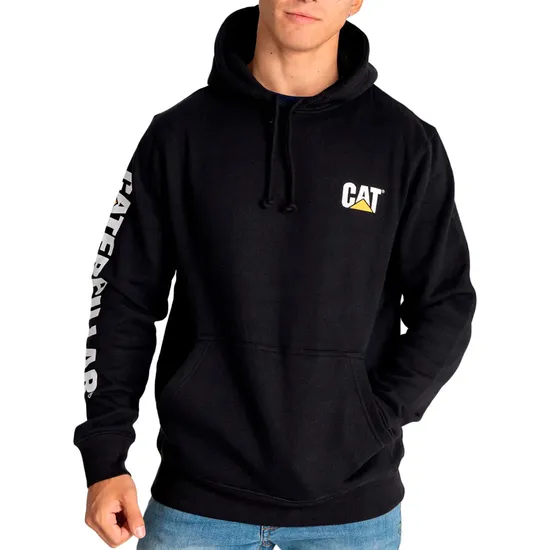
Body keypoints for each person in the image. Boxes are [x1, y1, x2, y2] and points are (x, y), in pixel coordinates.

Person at [73, 2, 477, 548]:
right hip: (196, 504)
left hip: (352, 515)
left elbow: (446, 305)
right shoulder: (180, 134)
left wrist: (375, 418)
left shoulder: (405, 144)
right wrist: (105, 455)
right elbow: (122, 296)